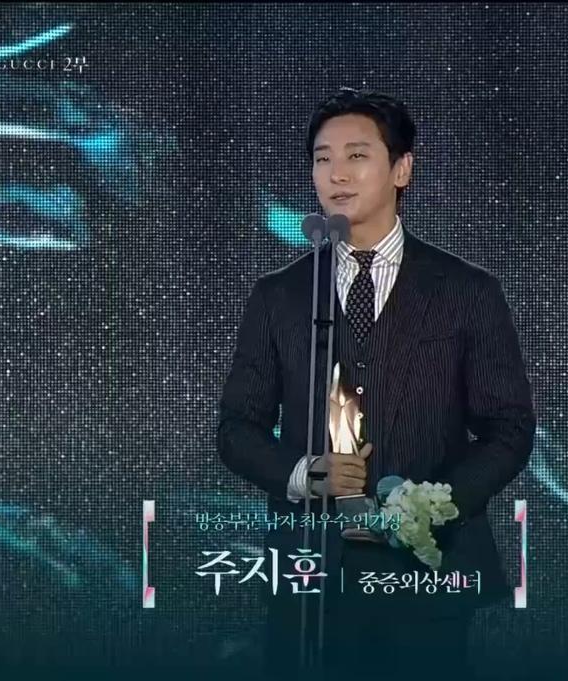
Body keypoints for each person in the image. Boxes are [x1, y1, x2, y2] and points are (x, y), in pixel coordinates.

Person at [217, 86, 536, 681]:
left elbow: (509, 429)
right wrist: (303, 473)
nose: (336, 173)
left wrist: (434, 504)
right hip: (311, 574)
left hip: (426, 573)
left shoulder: (467, 291)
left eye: (357, 156)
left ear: (402, 169)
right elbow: (237, 428)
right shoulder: (280, 296)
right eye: (322, 158)